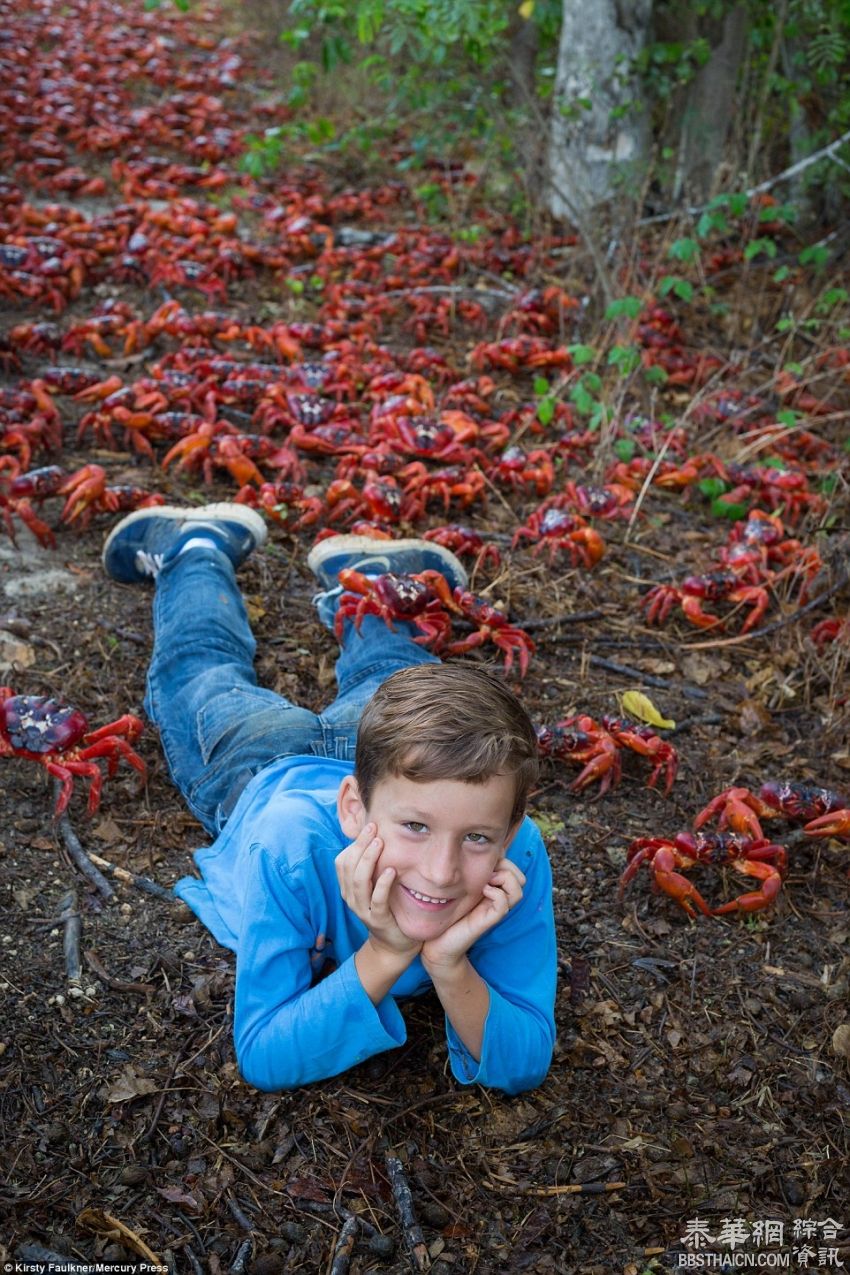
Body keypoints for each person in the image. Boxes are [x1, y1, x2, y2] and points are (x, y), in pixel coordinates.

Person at [102, 504, 557, 1094]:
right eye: (417, 829)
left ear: (513, 825)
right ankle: (197, 547)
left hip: (395, 767)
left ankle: (367, 570)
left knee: (395, 675)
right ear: (353, 810)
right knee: (198, 671)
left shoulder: (518, 852)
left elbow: (526, 1062)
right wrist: (390, 951)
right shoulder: (290, 850)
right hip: (261, 766)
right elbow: (263, 1054)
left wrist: (448, 964)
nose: (442, 873)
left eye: (476, 838)